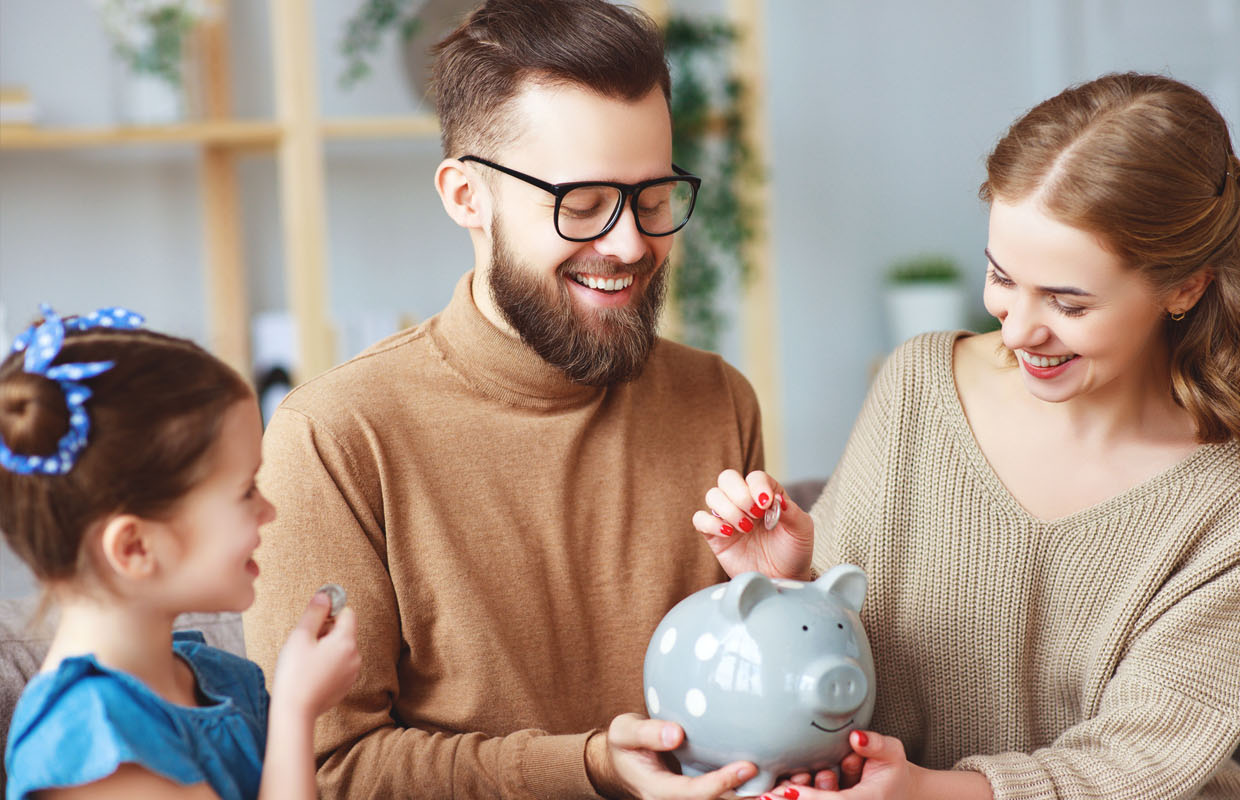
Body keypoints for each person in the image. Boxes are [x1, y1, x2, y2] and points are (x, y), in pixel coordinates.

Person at [695, 72, 1240, 800]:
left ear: (1186, 287)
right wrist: (789, 585)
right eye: (1001, 277)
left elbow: (1144, 756)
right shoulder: (919, 384)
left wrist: (925, 793)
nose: (1016, 331)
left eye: (1068, 303)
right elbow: (840, 654)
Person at [238, 0, 765, 797]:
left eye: (653, 198)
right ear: (465, 196)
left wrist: (787, 594)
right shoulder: (336, 438)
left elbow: (765, 702)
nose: (628, 245)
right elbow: (328, 770)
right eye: (582, 204)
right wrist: (586, 766)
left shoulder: (716, 398)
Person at [1, 306, 361, 800]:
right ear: (135, 547)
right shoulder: (89, 744)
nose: (269, 511)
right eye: (245, 492)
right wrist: (296, 711)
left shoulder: (220, 678)